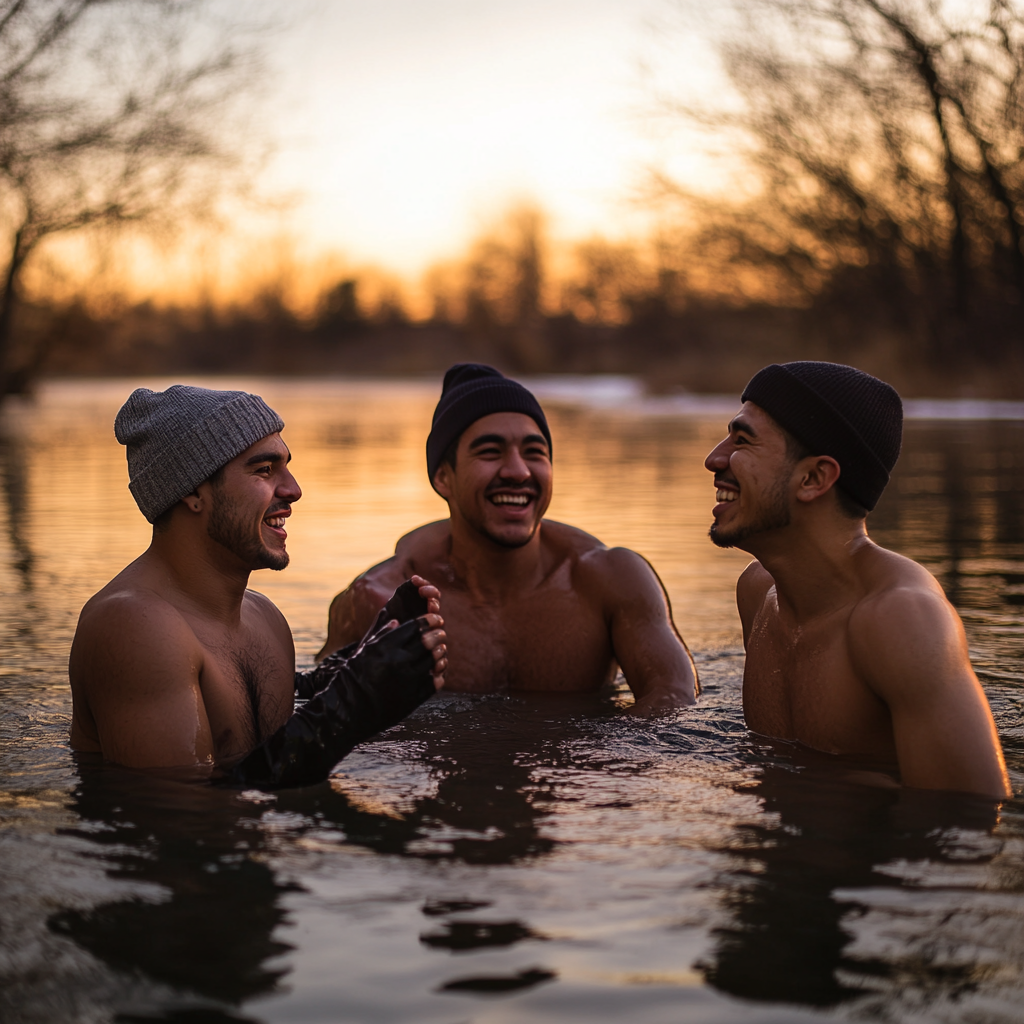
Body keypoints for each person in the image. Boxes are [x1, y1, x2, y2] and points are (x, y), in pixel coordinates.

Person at [69, 384, 447, 787]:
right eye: (264, 470)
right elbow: (180, 816)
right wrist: (352, 707)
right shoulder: (134, 625)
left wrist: (356, 666)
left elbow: (268, 759)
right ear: (192, 491)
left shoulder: (265, 618)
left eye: (286, 467)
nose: (293, 490)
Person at [704, 361, 1010, 798]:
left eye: (742, 441)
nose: (714, 458)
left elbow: (969, 825)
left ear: (813, 478)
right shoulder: (759, 592)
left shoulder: (901, 619)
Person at [316, 363, 697, 713]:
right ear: (442, 477)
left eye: (535, 452)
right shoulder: (376, 600)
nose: (518, 471)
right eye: (490, 452)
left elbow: (674, 703)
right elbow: (319, 723)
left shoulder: (611, 581)